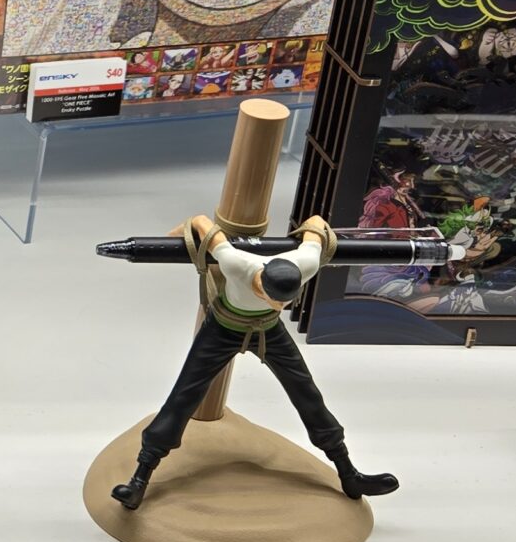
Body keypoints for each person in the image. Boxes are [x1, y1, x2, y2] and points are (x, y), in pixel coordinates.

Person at [107, 214, 399, 510]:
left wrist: (311, 232)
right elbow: (201, 222)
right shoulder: (236, 263)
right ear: (260, 285)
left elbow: (315, 222)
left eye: (287, 301)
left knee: (307, 394)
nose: (282, 305)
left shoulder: (305, 263)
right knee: (183, 397)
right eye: (276, 299)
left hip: (269, 331)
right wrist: (174, 239)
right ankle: (139, 480)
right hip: (223, 330)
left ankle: (349, 475)